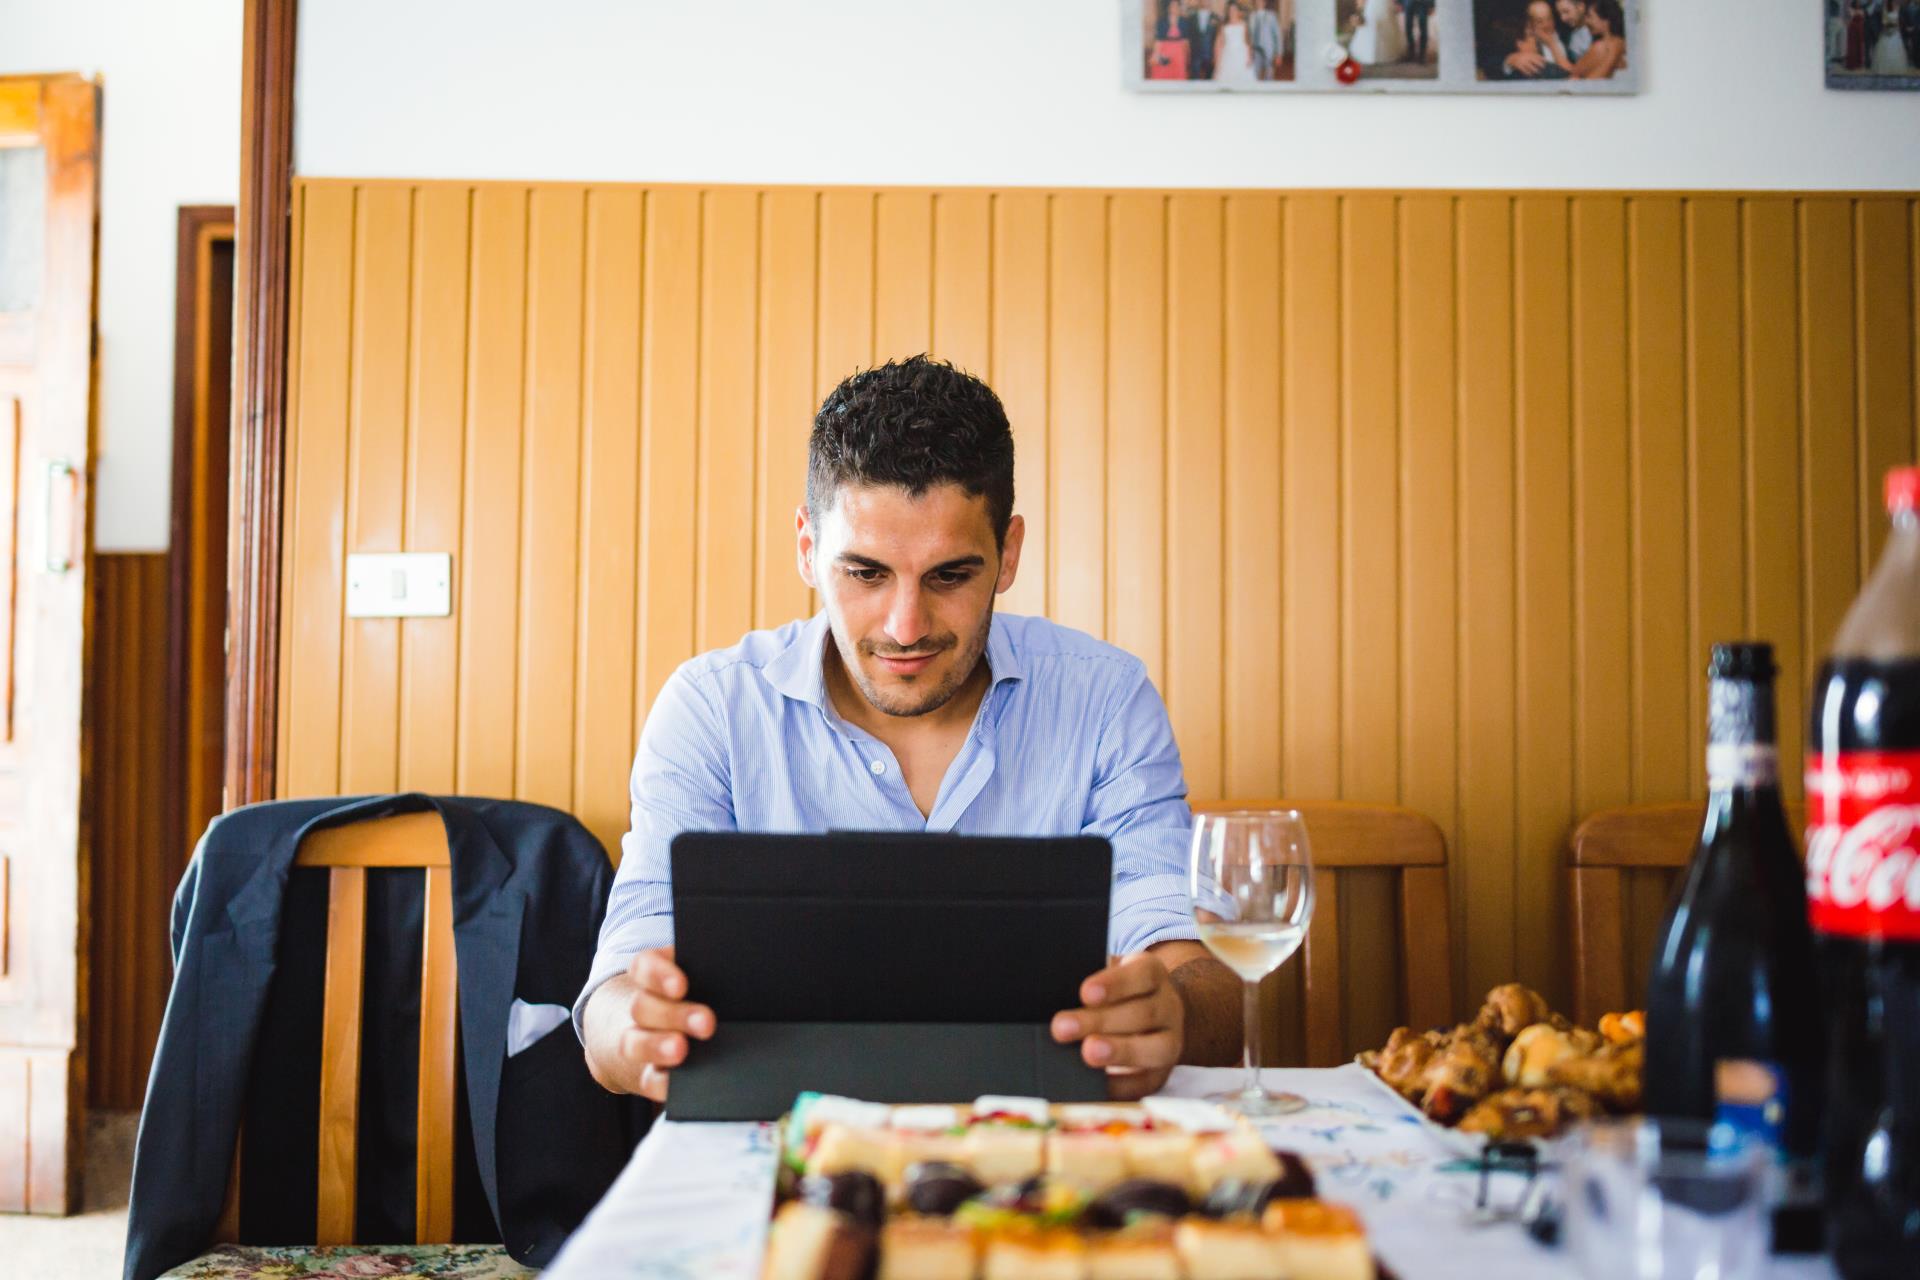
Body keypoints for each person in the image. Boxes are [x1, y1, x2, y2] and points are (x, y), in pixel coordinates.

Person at [576, 356, 1245, 1104]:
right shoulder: (712, 709)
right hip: (774, 1161)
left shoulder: (1105, 700)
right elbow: (613, 1003)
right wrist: (630, 1029)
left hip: (1042, 1164)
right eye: (864, 574)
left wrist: (1172, 1013)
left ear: (1009, 552)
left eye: (950, 576)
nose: (906, 628)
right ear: (806, 547)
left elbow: (1191, 967)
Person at [1500, 0, 1572, 78]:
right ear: (1530, 24)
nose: (1547, 25)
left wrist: (1552, 45)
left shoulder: (1566, 36)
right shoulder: (1526, 42)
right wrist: (1511, 60)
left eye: (1549, 18)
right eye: (1540, 21)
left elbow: (1572, 73)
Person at [1570, 0, 1626, 79]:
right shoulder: (1623, 44)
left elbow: (1576, 74)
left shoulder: (1601, 47)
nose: (1586, 21)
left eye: (1589, 16)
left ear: (1606, 19)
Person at [1214, 1, 1258, 83]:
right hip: (1227, 55)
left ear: (1238, 11)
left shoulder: (1244, 24)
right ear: (1227, 11)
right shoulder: (1223, 26)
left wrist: (1249, 57)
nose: (1232, 12)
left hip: (1242, 55)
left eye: (1234, 10)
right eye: (1230, 10)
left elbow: (1248, 42)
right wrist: (1217, 62)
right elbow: (1219, 44)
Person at [1150, 0, 1191, 80]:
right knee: (1163, 72)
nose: (1174, 8)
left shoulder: (1184, 22)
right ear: (1168, 8)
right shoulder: (1161, 21)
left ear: (1179, 8)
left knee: (1179, 74)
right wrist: (1155, 55)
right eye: (1172, 6)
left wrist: (1188, 55)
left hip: (1179, 53)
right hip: (1164, 51)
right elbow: (1158, 40)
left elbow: (1186, 41)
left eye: (1176, 6)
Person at [1249, 0, 1283, 81]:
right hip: (1256, 51)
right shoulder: (1251, 16)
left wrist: (1279, 53)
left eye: (1260, 1)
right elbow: (1249, 35)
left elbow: (1277, 35)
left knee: (1269, 76)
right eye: (1257, 1)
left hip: (1268, 51)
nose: (1258, 3)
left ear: (1264, 3)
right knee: (1254, 76)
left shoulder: (1271, 16)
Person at [1873, 0, 1911, 70]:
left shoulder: (1898, 9)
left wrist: (1895, 26)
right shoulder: (1884, 10)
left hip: (1895, 32)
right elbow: (1883, 21)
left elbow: (1898, 21)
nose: (1893, 3)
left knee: (1895, 50)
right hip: (1886, 32)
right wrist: (1888, 25)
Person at [1185, 0, 1218, 80]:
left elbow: (1217, 38)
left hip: (1209, 54)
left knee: (1209, 80)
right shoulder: (1191, 18)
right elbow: (1188, 37)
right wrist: (1188, 54)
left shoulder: (1216, 18)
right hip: (1195, 54)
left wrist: (1215, 56)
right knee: (1194, 80)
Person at [1402, 0, 1434, 64]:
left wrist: (1431, 5)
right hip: (1408, 3)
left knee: (1423, 29)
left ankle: (1422, 56)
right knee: (1408, 28)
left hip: (1422, 3)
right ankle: (1411, 54)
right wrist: (1399, 2)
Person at [1903, 0, 1920, 70]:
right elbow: (1903, 18)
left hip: (1917, 30)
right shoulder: (1905, 7)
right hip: (1907, 30)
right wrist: (1907, 26)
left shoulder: (1918, 6)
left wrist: (1915, 27)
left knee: (1917, 47)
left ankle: (1917, 63)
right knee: (1908, 47)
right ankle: (1909, 63)